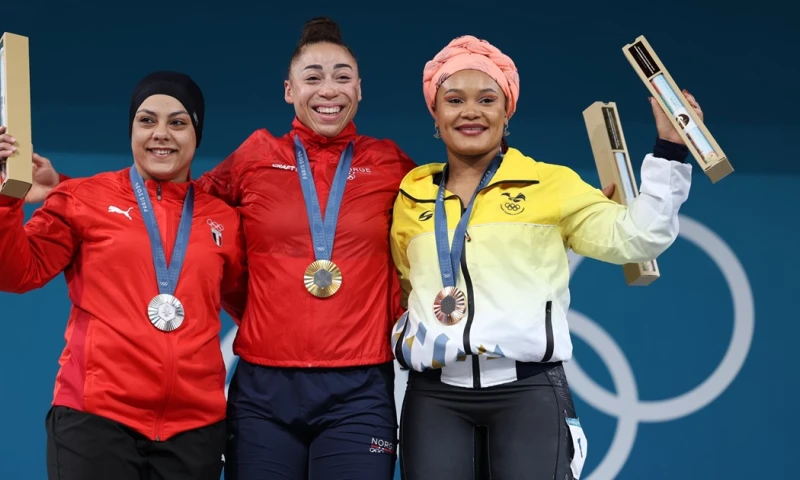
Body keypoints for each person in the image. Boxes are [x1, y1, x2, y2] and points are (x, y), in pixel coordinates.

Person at [20, 17, 417, 480]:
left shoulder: (391, 165)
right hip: (265, 388)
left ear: (360, 89)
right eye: (312, 77)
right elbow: (174, 206)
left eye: (342, 76)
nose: (328, 89)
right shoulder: (255, 156)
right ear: (289, 90)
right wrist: (66, 188)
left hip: (360, 385)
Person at [389, 35, 696, 480]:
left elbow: (640, 237)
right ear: (435, 114)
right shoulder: (411, 192)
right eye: (453, 100)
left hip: (527, 392)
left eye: (487, 99)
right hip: (433, 399)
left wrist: (670, 150)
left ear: (507, 110)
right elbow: (405, 287)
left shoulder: (549, 183)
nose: (470, 111)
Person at [0, 71, 247, 480]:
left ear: (197, 133)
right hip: (95, 419)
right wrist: (6, 200)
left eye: (178, 122)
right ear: (131, 128)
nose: (160, 134)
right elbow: (17, 273)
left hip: (194, 429)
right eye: (146, 120)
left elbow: (253, 310)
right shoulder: (83, 198)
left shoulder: (223, 218)